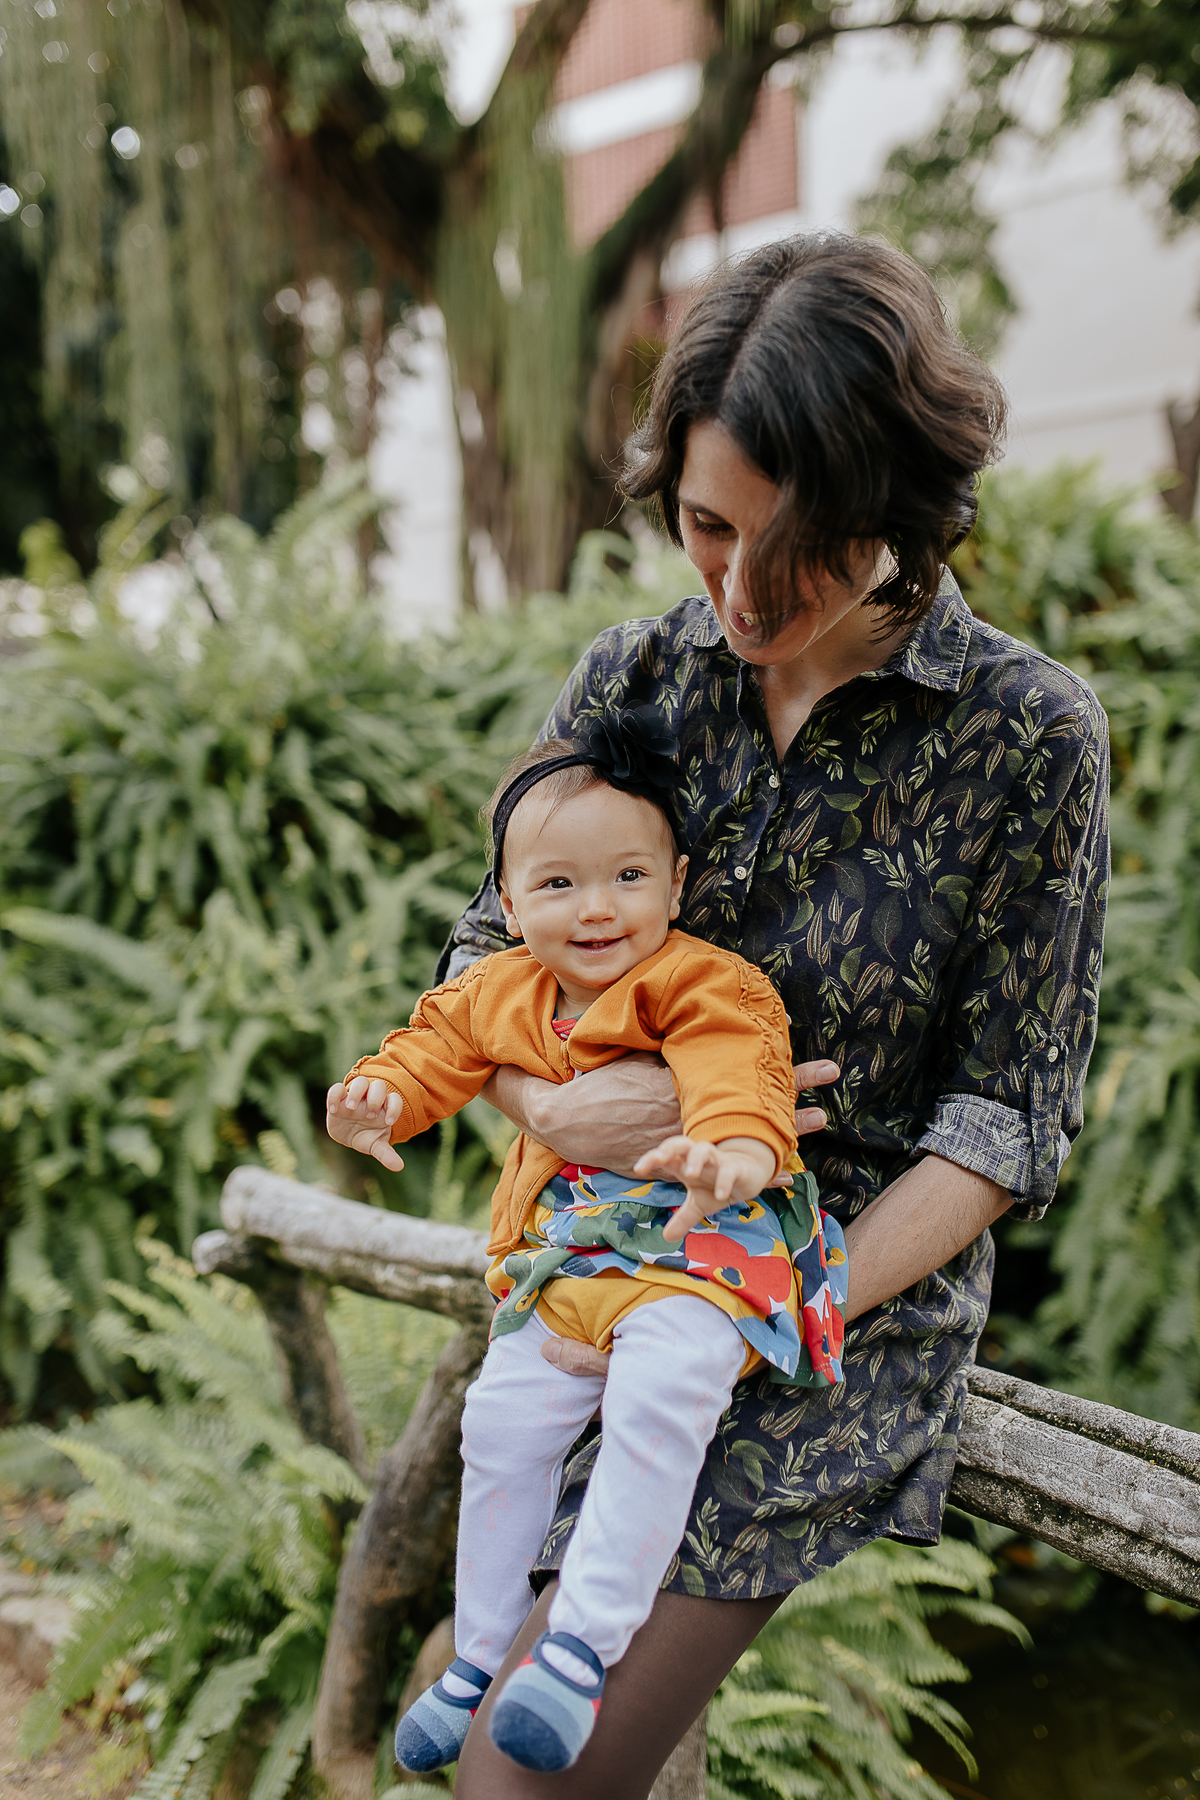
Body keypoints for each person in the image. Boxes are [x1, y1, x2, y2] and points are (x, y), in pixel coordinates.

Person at [432, 232, 1110, 1800]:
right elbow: (480, 955)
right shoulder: (635, 678)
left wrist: (773, 1305)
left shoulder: (1028, 738)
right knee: (459, 1704)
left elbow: (1006, 1119)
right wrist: (556, 1109)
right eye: (705, 525)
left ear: (902, 513)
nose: (739, 591)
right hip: (599, 1246)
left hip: (833, 1306)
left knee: (523, 1775)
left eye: (794, 548)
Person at [326, 717, 849, 1775]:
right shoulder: (498, 989)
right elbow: (429, 1050)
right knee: (500, 1425)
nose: (597, 907)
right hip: (567, 1261)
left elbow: (740, 1072)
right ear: (510, 901)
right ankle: (477, 1657)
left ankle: (579, 1646)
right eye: (559, 884)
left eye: (627, 876)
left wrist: (733, 1154)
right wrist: (377, 1098)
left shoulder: (706, 982)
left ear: (675, 883)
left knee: (663, 1395)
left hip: (702, 1253)